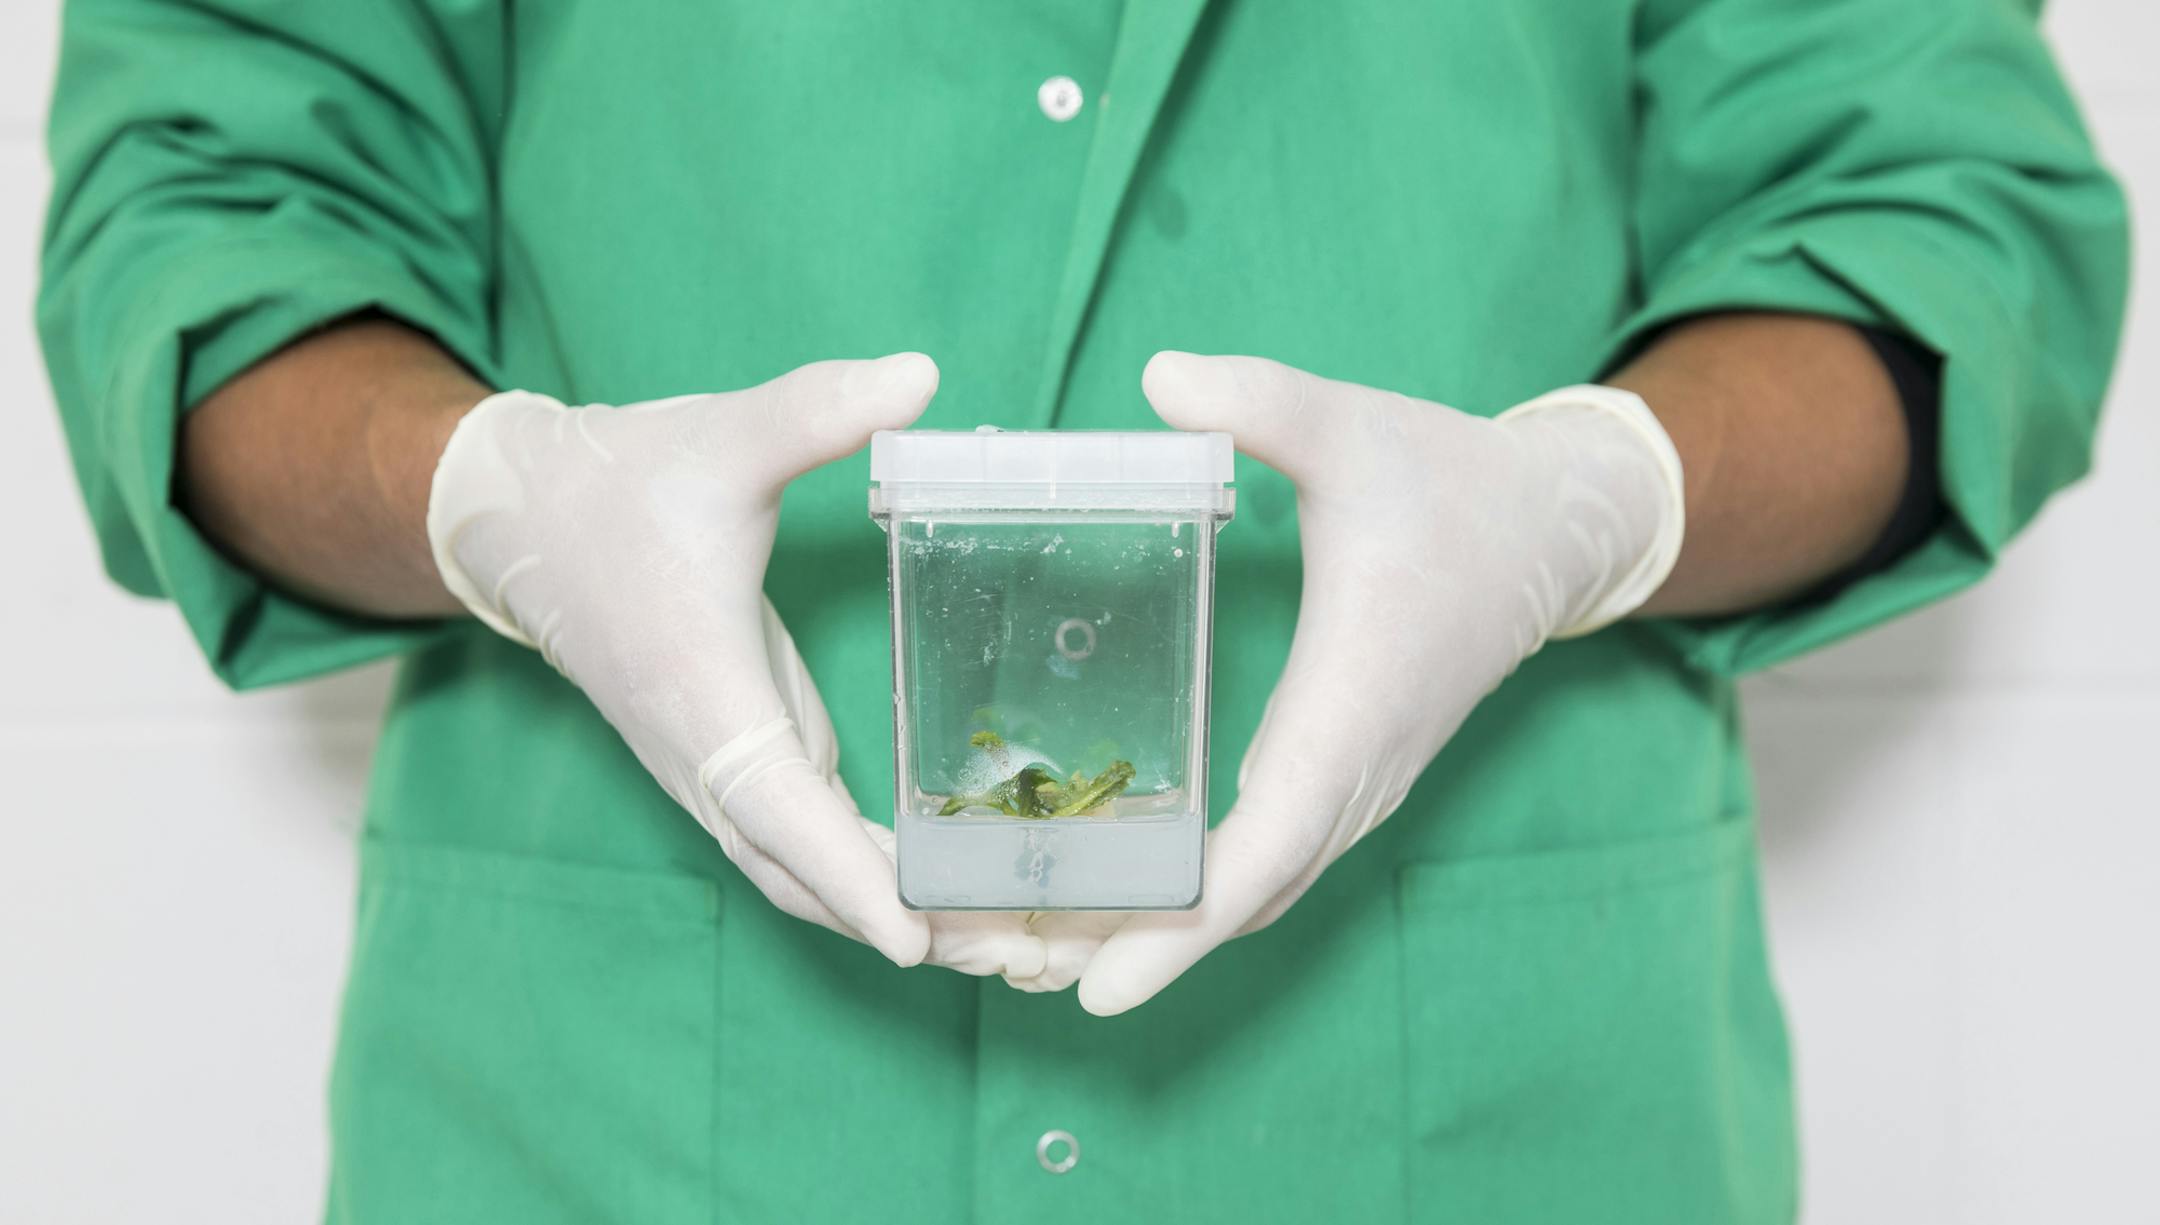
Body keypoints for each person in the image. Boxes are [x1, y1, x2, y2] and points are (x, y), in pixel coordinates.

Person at [37, 1, 2125, 1221]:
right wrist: (496, 498)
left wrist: (1597, 498)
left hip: (1500, 1115)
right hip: (610, 1125)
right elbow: (206, 215)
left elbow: (1942, 217)